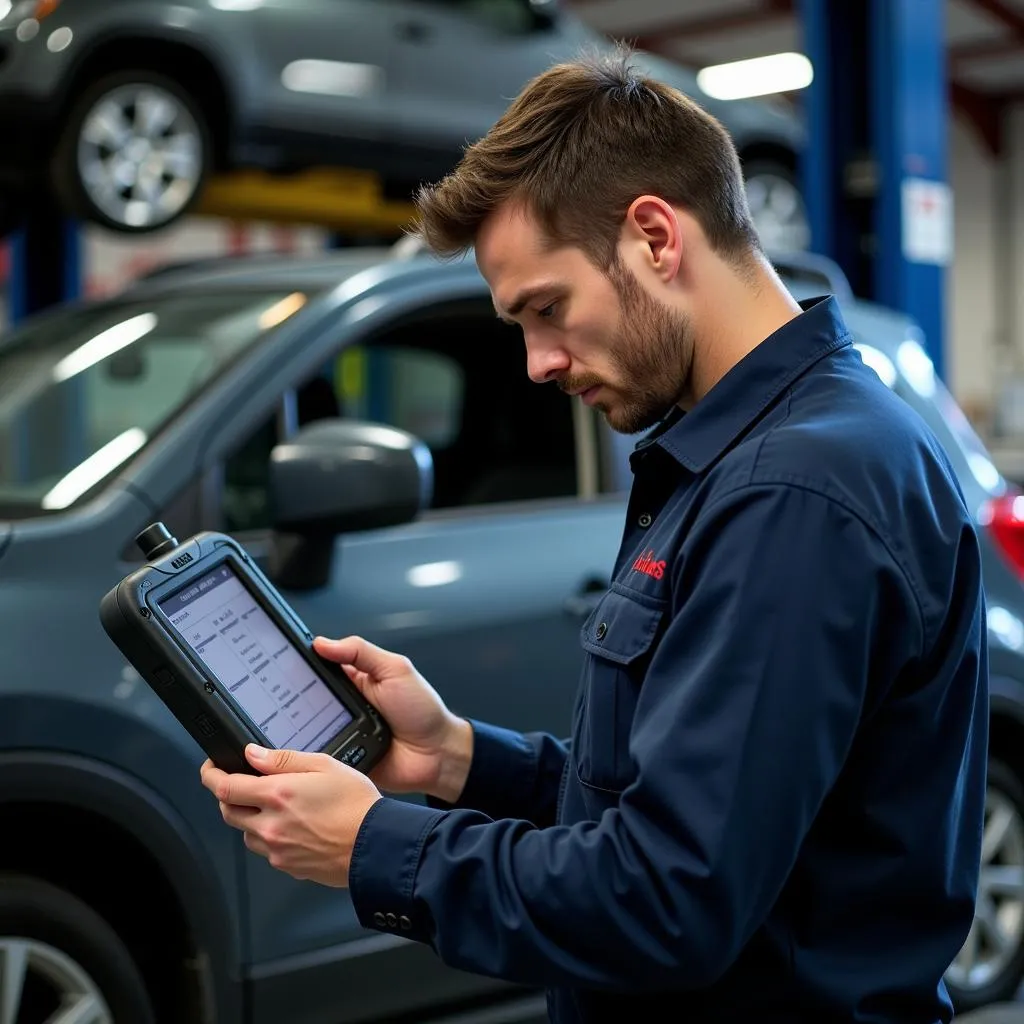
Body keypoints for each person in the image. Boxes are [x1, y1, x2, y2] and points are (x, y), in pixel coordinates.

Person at [201, 49, 989, 1023]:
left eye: (547, 309)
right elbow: (673, 802)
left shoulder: (793, 490)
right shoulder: (752, 453)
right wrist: (454, 758)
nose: (537, 364)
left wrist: (375, 844)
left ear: (655, 235)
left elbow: (667, 897)